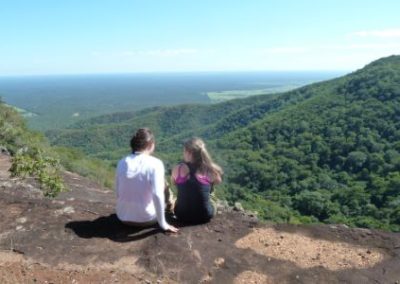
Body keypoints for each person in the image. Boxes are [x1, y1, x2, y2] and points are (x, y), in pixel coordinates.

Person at [115, 128, 178, 233]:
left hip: (122, 217)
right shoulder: (155, 163)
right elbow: (157, 194)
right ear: (150, 144)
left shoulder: (121, 162)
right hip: (147, 219)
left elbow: (118, 192)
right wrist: (163, 223)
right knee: (162, 182)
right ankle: (171, 209)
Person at [171, 137, 223, 224]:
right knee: (211, 188)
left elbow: (173, 182)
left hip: (181, 215)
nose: (183, 153)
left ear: (189, 153)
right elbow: (218, 181)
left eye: (184, 151)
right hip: (205, 216)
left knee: (179, 192)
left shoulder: (178, 168)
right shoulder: (208, 170)